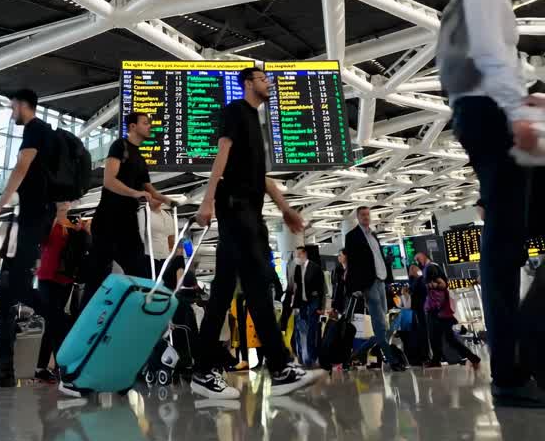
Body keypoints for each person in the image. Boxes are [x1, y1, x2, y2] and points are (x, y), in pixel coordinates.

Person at [442, 0, 545, 408]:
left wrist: (526, 99)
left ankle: (524, 354)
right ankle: (511, 370)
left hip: (482, 112)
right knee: (504, 247)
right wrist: (518, 113)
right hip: (488, 114)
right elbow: (489, 56)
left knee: (513, 234)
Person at [191, 67, 322, 399]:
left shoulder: (255, 123)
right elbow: (222, 155)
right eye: (264, 79)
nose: (269, 83)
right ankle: (279, 367)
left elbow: (262, 177)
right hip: (234, 209)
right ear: (249, 84)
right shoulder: (236, 112)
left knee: (225, 290)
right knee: (258, 284)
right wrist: (207, 202)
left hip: (251, 213)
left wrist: (285, 208)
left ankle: (204, 370)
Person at [0, 89, 57, 391]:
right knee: (14, 288)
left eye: (12, 108)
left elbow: (21, 169)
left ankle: (5, 368)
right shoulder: (47, 133)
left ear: (23, 105)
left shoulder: (35, 131)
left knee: (10, 287)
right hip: (35, 218)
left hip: (32, 218)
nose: (11, 114)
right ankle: (15, 362)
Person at [82, 112, 171, 304]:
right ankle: (80, 324)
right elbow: (108, 181)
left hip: (127, 224)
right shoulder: (119, 146)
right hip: (108, 221)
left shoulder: (140, 157)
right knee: (97, 278)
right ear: (132, 127)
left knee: (140, 274)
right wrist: (134, 193)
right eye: (145, 123)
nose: (150, 126)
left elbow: (149, 189)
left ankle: (141, 321)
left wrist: (168, 200)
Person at [34, 201, 89, 384]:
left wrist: (82, 231)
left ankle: (42, 367)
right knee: (56, 321)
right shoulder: (49, 223)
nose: (66, 204)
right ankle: (62, 366)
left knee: (53, 324)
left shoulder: (73, 225)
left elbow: (80, 250)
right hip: (47, 277)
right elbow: (42, 241)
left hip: (65, 278)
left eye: (68, 202)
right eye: (62, 201)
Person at [345, 207, 402, 369]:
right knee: (380, 324)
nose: (366, 217)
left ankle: (359, 353)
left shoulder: (374, 235)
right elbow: (353, 264)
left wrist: (388, 273)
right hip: (368, 284)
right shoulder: (352, 236)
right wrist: (354, 287)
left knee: (383, 324)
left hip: (381, 280)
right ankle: (392, 360)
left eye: (368, 214)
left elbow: (378, 257)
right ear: (357, 217)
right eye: (363, 215)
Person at [425, 275, 481, 369]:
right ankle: (472, 358)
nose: (430, 284)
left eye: (432, 283)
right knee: (445, 340)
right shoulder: (445, 291)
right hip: (445, 318)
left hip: (440, 318)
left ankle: (473, 358)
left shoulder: (437, 292)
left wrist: (428, 307)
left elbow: (433, 305)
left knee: (443, 339)